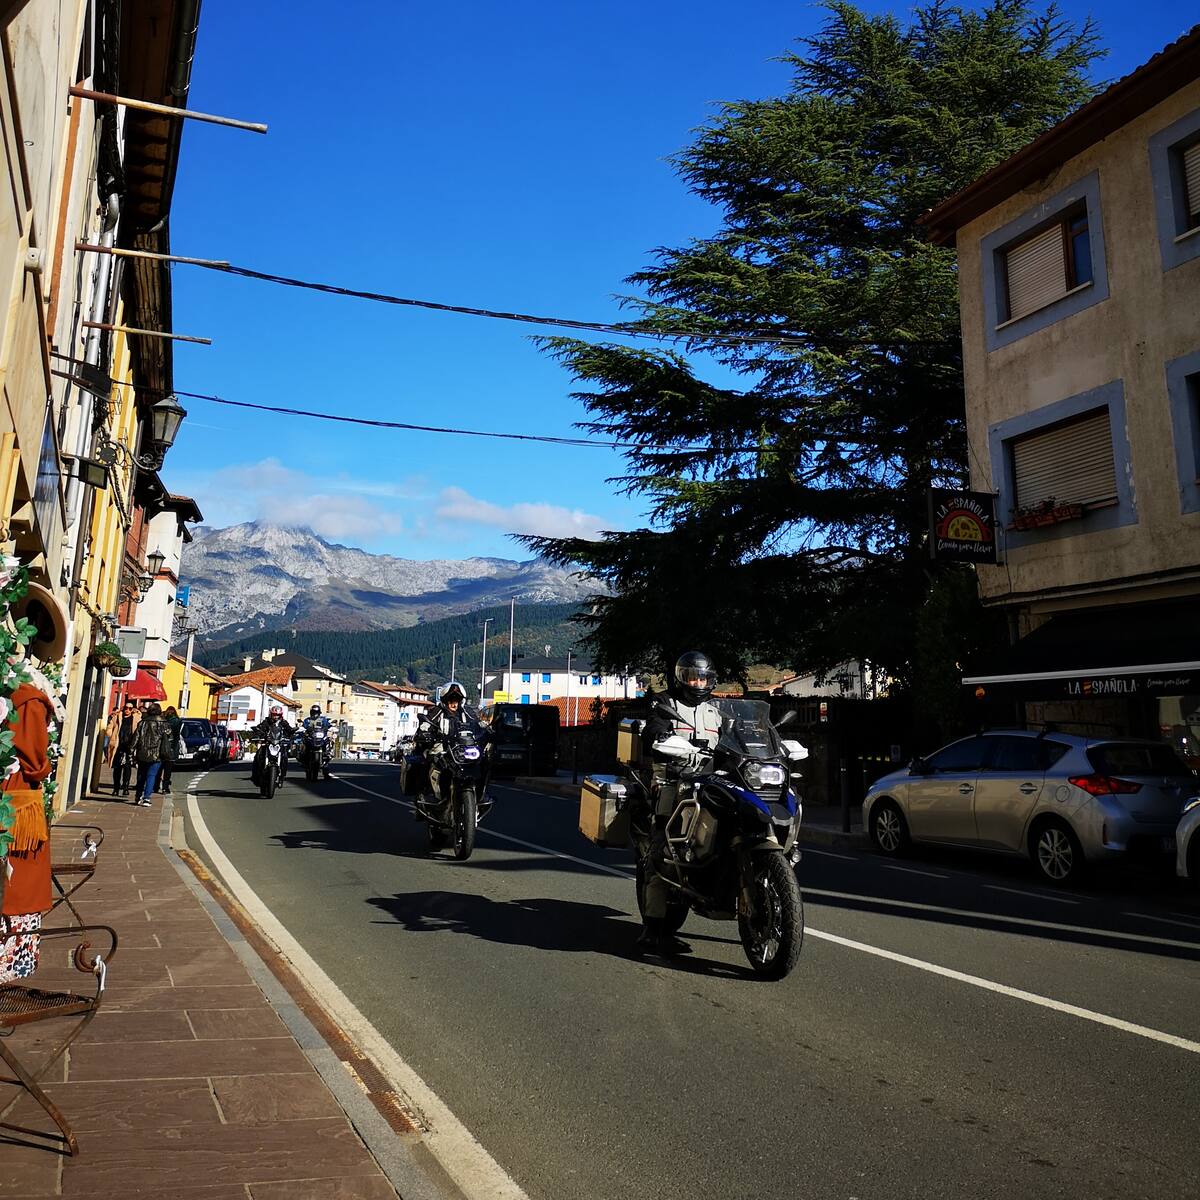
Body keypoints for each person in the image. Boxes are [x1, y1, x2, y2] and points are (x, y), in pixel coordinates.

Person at [635, 651, 724, 957]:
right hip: (674, 783)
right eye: (692, 677)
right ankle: (653, 928)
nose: (698, 683)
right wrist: (661, 736)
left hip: (711, 785)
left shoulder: (717, 711)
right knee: (662, 853)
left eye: (703, 678)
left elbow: (737, 737)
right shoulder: (664, 704)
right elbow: (652, 733)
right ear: (681, 678)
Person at [132, 701, 170, 807]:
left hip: (142, 753)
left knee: (141, 775)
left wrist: (131, 751)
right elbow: (169, 738)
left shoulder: (142, 723)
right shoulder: (164, 723)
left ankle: (138, 796)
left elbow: (136, 738)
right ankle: (146, 798)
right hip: (157, 754)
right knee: (151, 775)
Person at [250, 704, 295, 784]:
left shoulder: (283, 722)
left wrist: (292, 733)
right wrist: (257, 734)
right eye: (274, 715)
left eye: (278, 715)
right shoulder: (266, 721)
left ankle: (282, 775)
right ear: (271, 714)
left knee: (284, 756)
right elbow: (260, 728)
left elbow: (289, 730)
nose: (276, 717)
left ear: (281, 715)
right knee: (258, 755)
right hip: (268, 742)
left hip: (279, 743)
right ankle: (255, 775)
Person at [106, 700, 141, 796]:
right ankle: (116, 788)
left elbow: (139, 727)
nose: (127, 710)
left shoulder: (136, 718)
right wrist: (110, 735)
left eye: (130, 708)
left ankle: (125, 787)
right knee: (117, 768)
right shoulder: (117, 716)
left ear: (132, 709)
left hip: (129, 746)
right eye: (126, 708)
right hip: (118, 745)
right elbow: (110, 727)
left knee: (127, 768)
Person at [157, 705, 182, 796]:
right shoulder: (178, 721)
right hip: (171, 748)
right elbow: (176, 736)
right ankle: (165, 787)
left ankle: (156, 786)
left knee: (159, 768)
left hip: (161, 747)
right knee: (168, 770)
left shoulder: (162, 720)